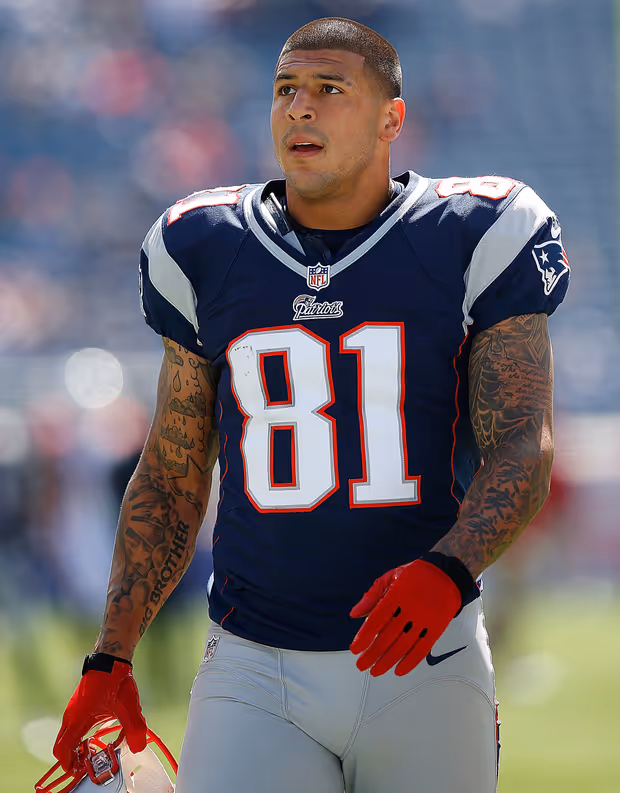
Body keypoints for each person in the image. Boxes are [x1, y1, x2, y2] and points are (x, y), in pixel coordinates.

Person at [52, 17, 569, 793]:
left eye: (330, 88)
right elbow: (173, 471)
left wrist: (448, 567)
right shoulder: (203, 245)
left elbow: (522, 442)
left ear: (391, 118)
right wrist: (111, 654)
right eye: (285, 89)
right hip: (253, 661)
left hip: (425, 653)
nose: (300, 107)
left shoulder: (475, 231)